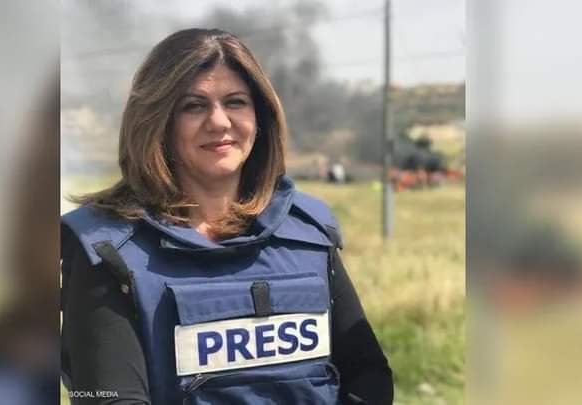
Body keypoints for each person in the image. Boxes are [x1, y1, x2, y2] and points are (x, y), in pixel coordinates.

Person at [61, 28, 393, 405]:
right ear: (157, 121)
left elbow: (368, 375)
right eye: (194, 106)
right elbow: (107, 397)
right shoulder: (105, 249)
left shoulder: (309, 232)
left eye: (235, 102)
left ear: (260, 117)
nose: (219, 122)